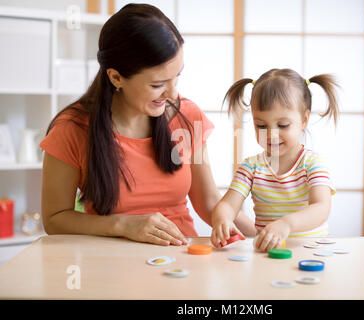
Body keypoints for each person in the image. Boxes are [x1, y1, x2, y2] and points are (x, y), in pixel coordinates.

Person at [40, 3, 255, 246]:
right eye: (158, 84)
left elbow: (208, 202)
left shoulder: (187, 115)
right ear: (116, 77)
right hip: (108, 262)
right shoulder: (72, 129)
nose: (173, 94)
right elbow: (54, 219)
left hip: (181, 259)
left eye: (177, 77)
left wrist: (262, 236)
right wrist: (123, 224)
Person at [210, 68, 339, 251]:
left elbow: (321, 207)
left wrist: (287, 224)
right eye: (261, 125)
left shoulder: (311, 163)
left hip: (310, 253)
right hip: (267, 256)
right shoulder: (251, 167)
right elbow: (227, 205)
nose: (271, 134)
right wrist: (222, 220)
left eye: (283, 125)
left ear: (304, 120)